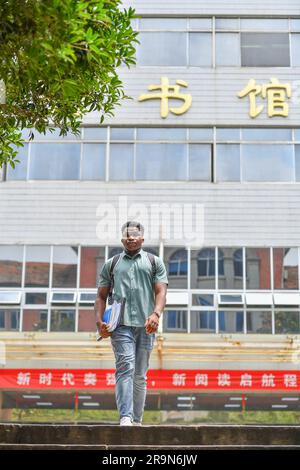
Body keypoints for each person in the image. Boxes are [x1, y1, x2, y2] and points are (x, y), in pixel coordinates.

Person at [94, 221, 168, 426]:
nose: (131, 238)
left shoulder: (154, 262)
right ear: (122, 239)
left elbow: (161, 291)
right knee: (125, 366)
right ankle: (125, 417)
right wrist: (100, 322)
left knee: (140, 374)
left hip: (147, 325)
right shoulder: (112, 264)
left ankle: (137, 419)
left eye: (135, 235)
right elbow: (101, 296)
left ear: (142, 238)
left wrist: (156, 314)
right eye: (127, 235)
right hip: (120, 326)